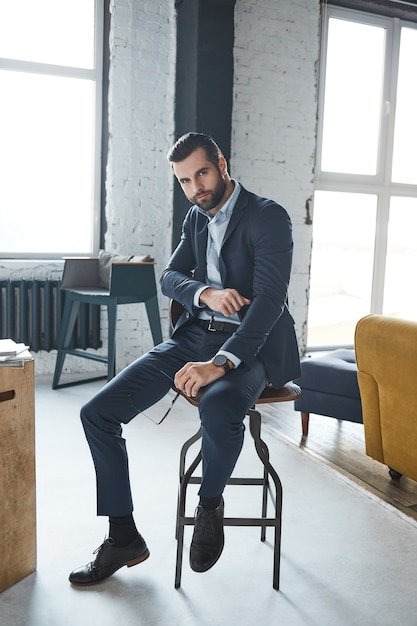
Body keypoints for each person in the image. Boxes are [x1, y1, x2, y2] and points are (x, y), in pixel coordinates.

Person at [68, 132, 301, 586]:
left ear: (222, 164)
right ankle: (122, 537)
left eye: (202, 172)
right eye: (184, 180)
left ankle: (209, 504)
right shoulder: (196, 219)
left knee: (218, 404)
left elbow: (271, 300)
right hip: (196, 335)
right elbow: (170, 278)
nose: (196, 187)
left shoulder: (268, 217)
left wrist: (222, 363)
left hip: (253, 345)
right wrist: (205, 292)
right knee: (97, 413)